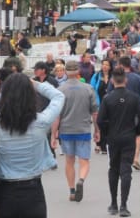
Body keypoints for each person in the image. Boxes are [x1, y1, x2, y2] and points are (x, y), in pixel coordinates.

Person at [0, 73, 65, 218]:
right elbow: (59, 96)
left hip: (6, 192)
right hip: (33, 190)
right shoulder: (41, 122)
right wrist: (36, 84)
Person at [97, 67, 140, 217]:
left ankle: (113, 203)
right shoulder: (134, 97)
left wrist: (106, 134)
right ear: (126, 80)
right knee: (126, 170)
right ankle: (124, 205)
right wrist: (137, 131)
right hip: (128, 136)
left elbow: (100, 120)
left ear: (112, 80)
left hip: (113, 137)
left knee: (113, 168)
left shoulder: (107, 98)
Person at [52, 60, 100, 202]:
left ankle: (72, 190)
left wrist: (54, 134)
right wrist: (97, 130)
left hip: (66, 130)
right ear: (78, 71)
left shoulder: (60, 90)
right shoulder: (88, 88)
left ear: (66, 72)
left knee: (69, 161)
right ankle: (81, 179)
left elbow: (57, 115)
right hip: (83, 128)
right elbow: (95, 112)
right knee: (84, 160)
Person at [107, 56, 140, 171]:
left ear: (121, 65)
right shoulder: (137, 78)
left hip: (118, 109)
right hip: (136, 108)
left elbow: (109, 93)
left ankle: (122, 156)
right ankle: (135, 157)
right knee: (138, 133)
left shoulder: (115, 77)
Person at [90, 59, 112, 154]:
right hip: (99, 104)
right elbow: (92, 89)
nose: (105, 66)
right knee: (99, 124)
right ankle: (99, 144)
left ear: (110, 67)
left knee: (109, 125)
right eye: (103, 64)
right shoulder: (96, 76)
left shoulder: (113, 76)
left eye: (107, 65)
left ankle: (107, 144)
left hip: (111, 104)